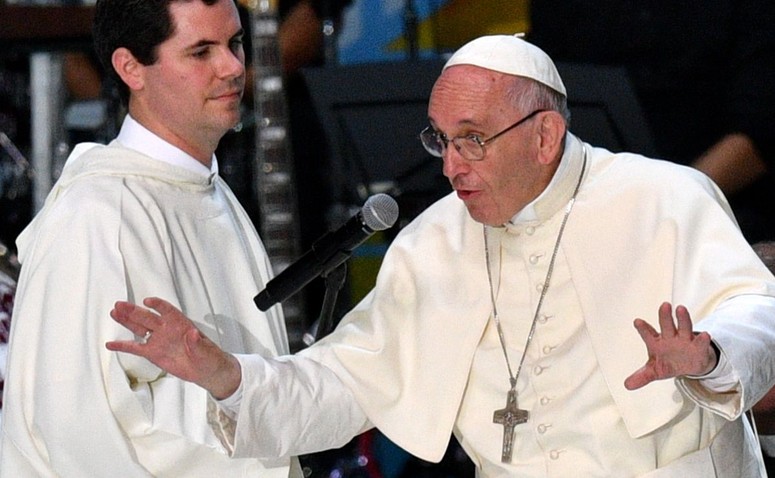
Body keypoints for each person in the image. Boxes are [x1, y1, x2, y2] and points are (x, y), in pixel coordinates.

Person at [105, 34, 775, 477]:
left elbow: (756, 309)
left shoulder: (662, 197)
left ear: (545, 136)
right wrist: (230, 377)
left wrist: (710, 355)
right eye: (441, 140)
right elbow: (345, 381)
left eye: (473, 140)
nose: (451, 166)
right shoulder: (435, 241)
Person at [0, 0, 311, 476]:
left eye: (234, 43)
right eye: (201, 52)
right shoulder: (95, 216)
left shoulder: (207, 189)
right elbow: (73, 432)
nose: (232, 67)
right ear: (130, 68)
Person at [528, 0, 775, 244]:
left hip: (715, 212)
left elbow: (759, 133)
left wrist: (667, 204)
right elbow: (538, 90)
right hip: (579, 203)